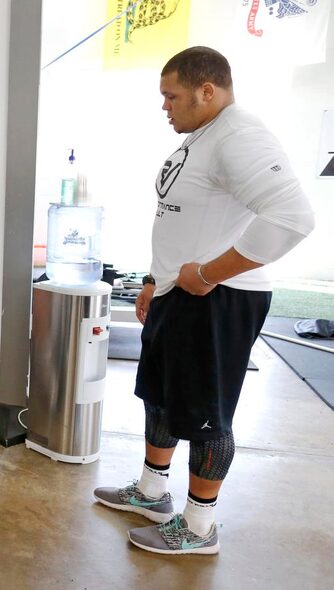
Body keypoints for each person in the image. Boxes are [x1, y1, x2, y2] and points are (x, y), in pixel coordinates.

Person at [93, 47, 315, 555]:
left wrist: (210, 274)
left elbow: (292, 218)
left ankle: (199, 527)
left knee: (206, 415)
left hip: (218, 298)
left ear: (206, 90)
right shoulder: (203, 139)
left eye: (171, 95)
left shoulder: (239, 135)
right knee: (162, 399)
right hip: (180, 293)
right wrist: (155, 278)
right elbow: (183, 218)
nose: (165, 106)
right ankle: (151, 494)